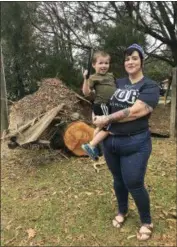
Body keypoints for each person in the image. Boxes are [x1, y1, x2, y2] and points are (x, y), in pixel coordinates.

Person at [93, 44, 160, 241]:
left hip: (136, 143)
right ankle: (122, 211)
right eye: (127, 59)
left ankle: (146, 221)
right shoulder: (117, 81)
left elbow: (137, 111)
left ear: (142, 61)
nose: (130, 62)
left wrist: (107, 119)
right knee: (118, 180)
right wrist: (96, 114)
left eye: (134, 58)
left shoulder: (149, 85)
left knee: (134, 182)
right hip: (111, 142)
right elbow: (101, 98)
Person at [81, 51, 116, 161]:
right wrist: (86, 79)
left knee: (100, 127)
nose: (104, 66)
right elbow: (86, 93)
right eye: (100, 63)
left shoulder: (111, 75)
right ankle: (91, 145)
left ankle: (94, 147)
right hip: (102, 105)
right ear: (94, 65)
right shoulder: (93, 77)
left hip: (109, 105)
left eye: (106, 63)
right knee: (110, 127)